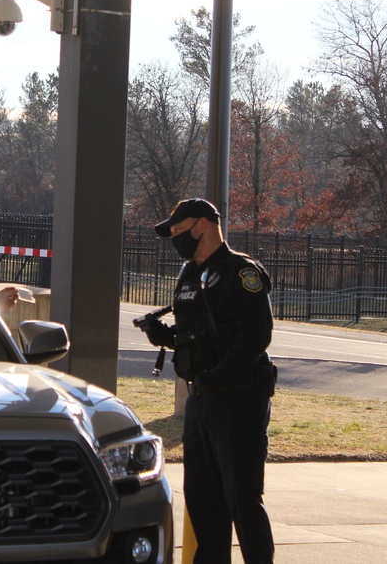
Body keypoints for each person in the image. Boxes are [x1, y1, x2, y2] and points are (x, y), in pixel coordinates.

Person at [142, 198, 277, 564]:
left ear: (203, 224)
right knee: (203, 499)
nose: (174, 239)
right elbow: (196, 335)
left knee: (242, 499)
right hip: (200, 399)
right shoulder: (189, 275)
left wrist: (220, 376)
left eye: (179, 231)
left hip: (238, 398)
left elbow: (256, 335)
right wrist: (164, 336)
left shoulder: (240, 272)